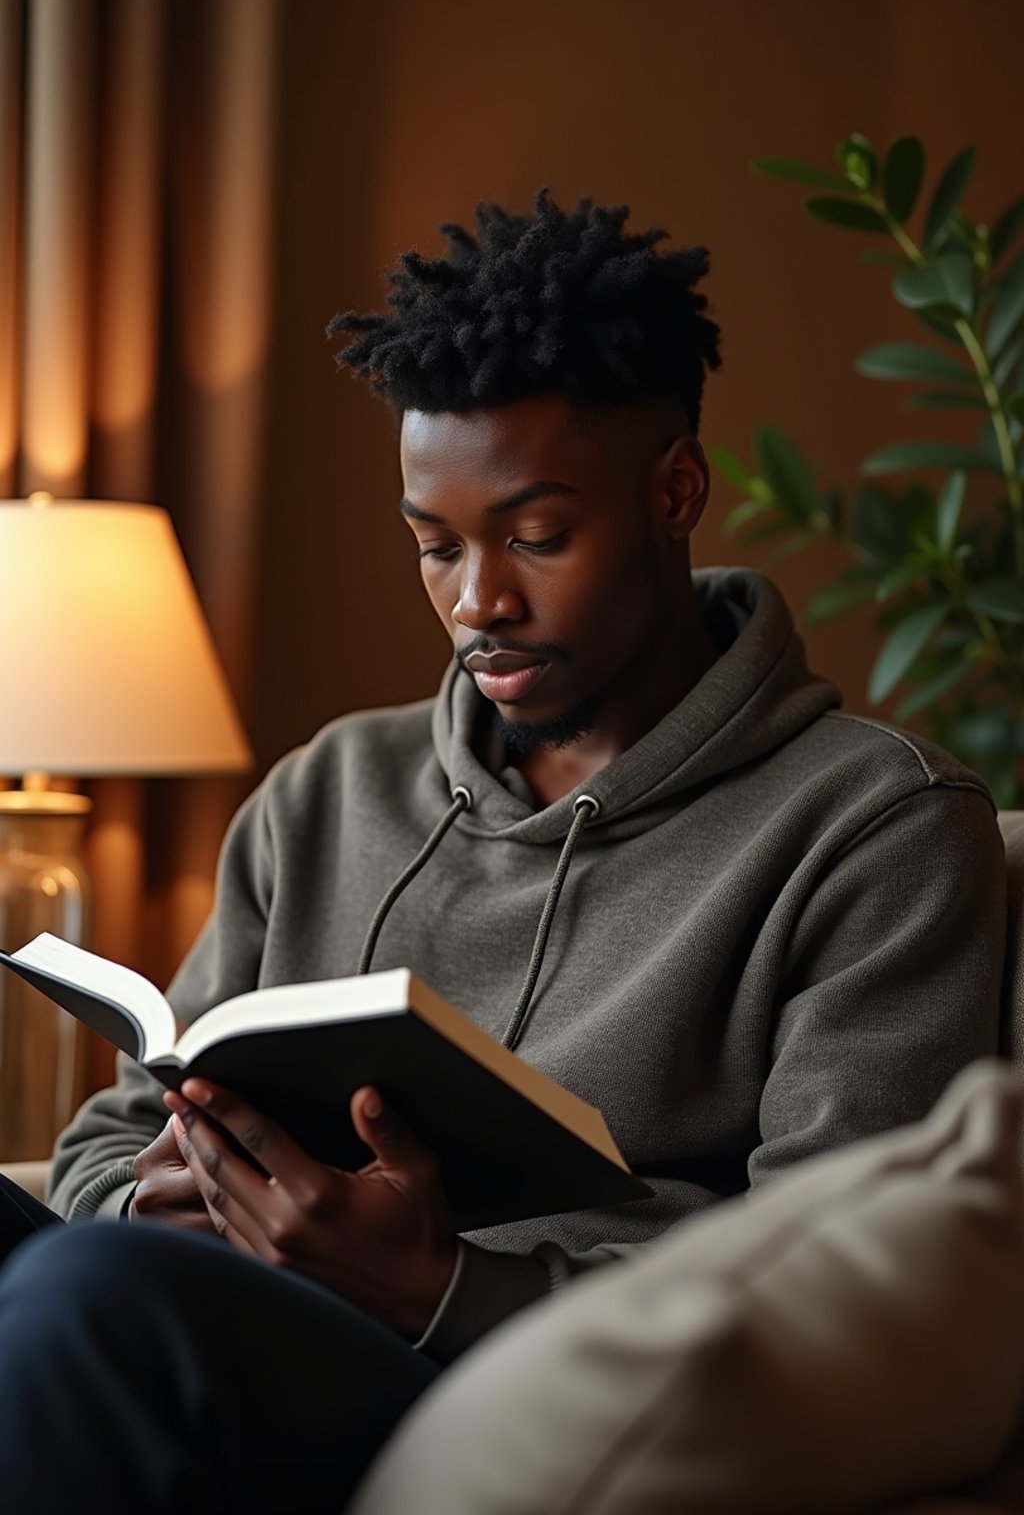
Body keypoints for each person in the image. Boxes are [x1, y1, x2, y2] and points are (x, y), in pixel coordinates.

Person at [0, 191, 1006, 1512]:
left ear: (676, 492)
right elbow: (115, 1128)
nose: (479, 602)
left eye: (536, 536)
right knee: (96, 1267)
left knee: (91, 1300)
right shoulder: (329, 791)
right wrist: (167, 1204)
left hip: (494, 1372)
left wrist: (439, 1279)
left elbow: (849, 1278)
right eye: (435, 545)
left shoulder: (874, 827)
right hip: (220, 1312)